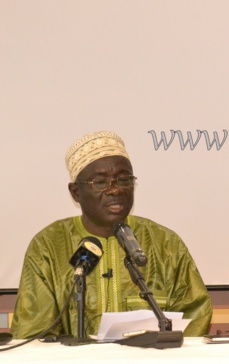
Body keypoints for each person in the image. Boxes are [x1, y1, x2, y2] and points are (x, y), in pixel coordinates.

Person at [11, 131, 212, 339]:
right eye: (100, 182)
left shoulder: (165, 243)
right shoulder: (49, 246)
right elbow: (33, 332)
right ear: (76, 193)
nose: (115, 190)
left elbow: (194, 316)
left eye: (124, 180)